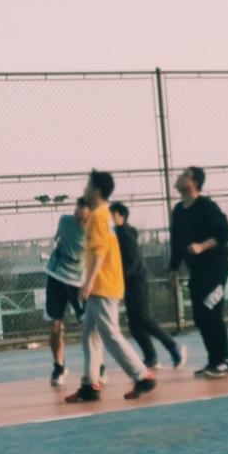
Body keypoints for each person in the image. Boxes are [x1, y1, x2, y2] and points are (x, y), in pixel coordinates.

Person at [65, 171, 156, 403]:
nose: (84, 189)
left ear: (96, 190)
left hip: (103, 285)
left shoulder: (98, 216)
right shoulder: (105, 215)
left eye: (88, 185)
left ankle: (142, 375)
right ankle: (90, 384)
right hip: (104, 284)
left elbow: (100, 252)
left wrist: (88, 283)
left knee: (110, 335)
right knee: (90, 337)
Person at [169, 166, 228, 379]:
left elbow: (225, 233)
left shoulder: (206, 206)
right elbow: (176, 243)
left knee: (211, 312)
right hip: (197, 271)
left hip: (216, 268)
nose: (179, 177)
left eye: (184, 175)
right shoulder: (178, 211)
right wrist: (173, 268)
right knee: (200, 317)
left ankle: (224, 361)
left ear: (194, 182)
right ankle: (213, 360)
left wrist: (202, 246)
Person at [110, 201, 186, 370]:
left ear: (121, 216)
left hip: (137, 282)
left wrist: (118, 279)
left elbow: (132, 263)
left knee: (144, 319)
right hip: (129, 283)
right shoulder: (119, 234)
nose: (111, 218)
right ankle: (151, 357)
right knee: (134, 325)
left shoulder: (125, 235)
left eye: (113, 214)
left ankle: (173, 347)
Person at [44, 198, 94, 387]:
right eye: (76, 212)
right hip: (56, 276)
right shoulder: (65, 221)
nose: (78, 217)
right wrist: (59, 241)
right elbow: (58, 237)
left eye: (82, 215)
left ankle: (96, 365)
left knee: (88, 326)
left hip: (78, 282)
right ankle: (59, 367)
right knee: (54, 327)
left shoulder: (94, 231)